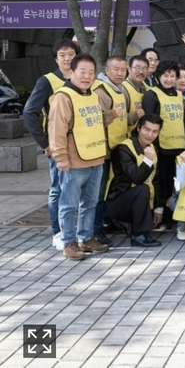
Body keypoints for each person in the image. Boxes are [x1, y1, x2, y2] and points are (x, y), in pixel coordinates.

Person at [48, 53, 109, 261]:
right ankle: (68, 242)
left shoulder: (92, 95)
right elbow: (56, 130)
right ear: (71, 72)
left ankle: (85, 238)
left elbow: (95, 122)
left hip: (95, 159)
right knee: (68, 205)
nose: (87, 76)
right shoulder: (63, 97)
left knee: (90, 203)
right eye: (82, 71)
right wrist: (60, 158)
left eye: (91, 72)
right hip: (73, 162)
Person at [24, 39, 80, 251]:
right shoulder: (47, 81)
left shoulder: (83, 79)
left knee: (78, 191)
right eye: (63, 55)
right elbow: (30, 113)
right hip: (58, 147)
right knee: (58, 189)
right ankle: (58, 232)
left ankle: (78, 231)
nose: (67, 58)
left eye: (71, 54)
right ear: (56, 59)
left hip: (82, 146)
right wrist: (45, 142)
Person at [106, 114, 163, 247]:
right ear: (138, 128)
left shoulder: (153, 148)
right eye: (147, 129)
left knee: (144, 190)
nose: (150, 135)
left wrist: (158, 208)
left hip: (138, 202)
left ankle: (139, 228)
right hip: (117, 203)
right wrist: (147, 160)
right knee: (142, 188)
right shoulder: (124, 149)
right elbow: (136, 178)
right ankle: (138, 235)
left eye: (155, 131)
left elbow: (156, 180)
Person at [142, 60, 185, 227]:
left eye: (172, 76)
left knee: (179, 183)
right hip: (162, 148)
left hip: (179, 148)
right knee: (163, 182)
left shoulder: (179, 95)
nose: (169, 79)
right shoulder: (152, 95)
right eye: (165, 75)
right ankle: (163, 216)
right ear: (158, 76)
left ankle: (177, 214)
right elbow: (148, 122)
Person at [92, 56, 131, 246]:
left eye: (123, 69)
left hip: (118, 147)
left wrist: (134, 116)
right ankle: (96, 230)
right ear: (106, 70)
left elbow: (123, 118)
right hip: (102, 150)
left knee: (109, 190)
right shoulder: (98, 90)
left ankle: (106, 222)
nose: (119, 73)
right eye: (116, 69)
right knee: (97, 193)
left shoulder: (121, 89)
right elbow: (93, 120)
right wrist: (111, 114)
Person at [122, 55, 149, 136]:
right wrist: (134, 116)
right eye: (137, 68)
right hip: (127, 138)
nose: (141, 72)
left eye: (144, 68)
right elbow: (116, 118)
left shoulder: (148, 88)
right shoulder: (122, 89)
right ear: (129, 69)